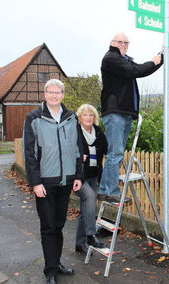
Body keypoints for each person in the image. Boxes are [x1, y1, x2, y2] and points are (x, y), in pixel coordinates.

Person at [23, 79, 83, 284]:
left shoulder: (71, 117)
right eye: (51, 92)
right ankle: (50, 271)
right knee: (48, 227)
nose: (54, 95)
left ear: (63, 94)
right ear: (45, 93)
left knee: (59, 224)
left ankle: (56, 263)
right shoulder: (34, 118)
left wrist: (78, 176)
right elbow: (29, 153)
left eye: (58, 92)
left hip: (66, 180)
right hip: (45, 183)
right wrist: (35, 182)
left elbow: (78, 149)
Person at [98, 32, 163, 203]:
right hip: (115, 112)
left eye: (126, 42)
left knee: (115, 153)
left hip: (124, 112)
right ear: (112, 43)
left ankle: (105, 190)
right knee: (115, 153)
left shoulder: (124, 59)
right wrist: (155, 61)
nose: (124, 45)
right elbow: (135, 71)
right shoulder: (111, 58)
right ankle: (111, 191)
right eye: (120, 42)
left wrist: (160, 58)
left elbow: (141, 69)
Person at [74, 104, 107, 253]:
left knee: (86, 208)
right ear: (79, 118)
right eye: (85, 115)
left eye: (91, 115)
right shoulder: (75, 132)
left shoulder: (99, 133)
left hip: (94, 175)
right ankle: (91, 234)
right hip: (78, 176)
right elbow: (68, 150)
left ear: (94, 118)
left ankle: (80, 244)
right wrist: (78, 156)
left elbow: (107, 149)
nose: (88, 118)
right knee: (89, 196)